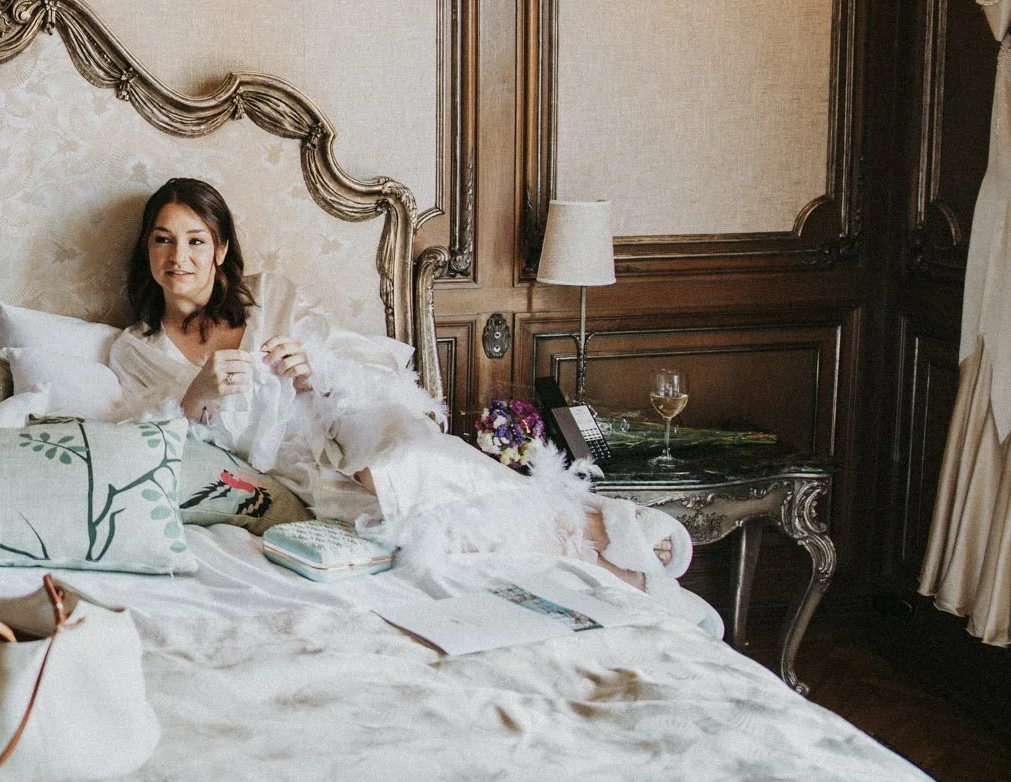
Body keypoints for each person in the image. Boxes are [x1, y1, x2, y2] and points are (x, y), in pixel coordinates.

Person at [108, 177, 694, 595]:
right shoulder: (137, 347)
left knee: (401, 458)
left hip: (345, 416)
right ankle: (590, 540)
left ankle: (594, 527)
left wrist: (309, 368)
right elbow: (145, 441)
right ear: (147, 249)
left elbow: (355, 368)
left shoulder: (271, 295)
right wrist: (195, 395)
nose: (178, 256)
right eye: (163, 240)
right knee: (390, 511)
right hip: (290, 464)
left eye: (195, 240)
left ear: (221, 249)